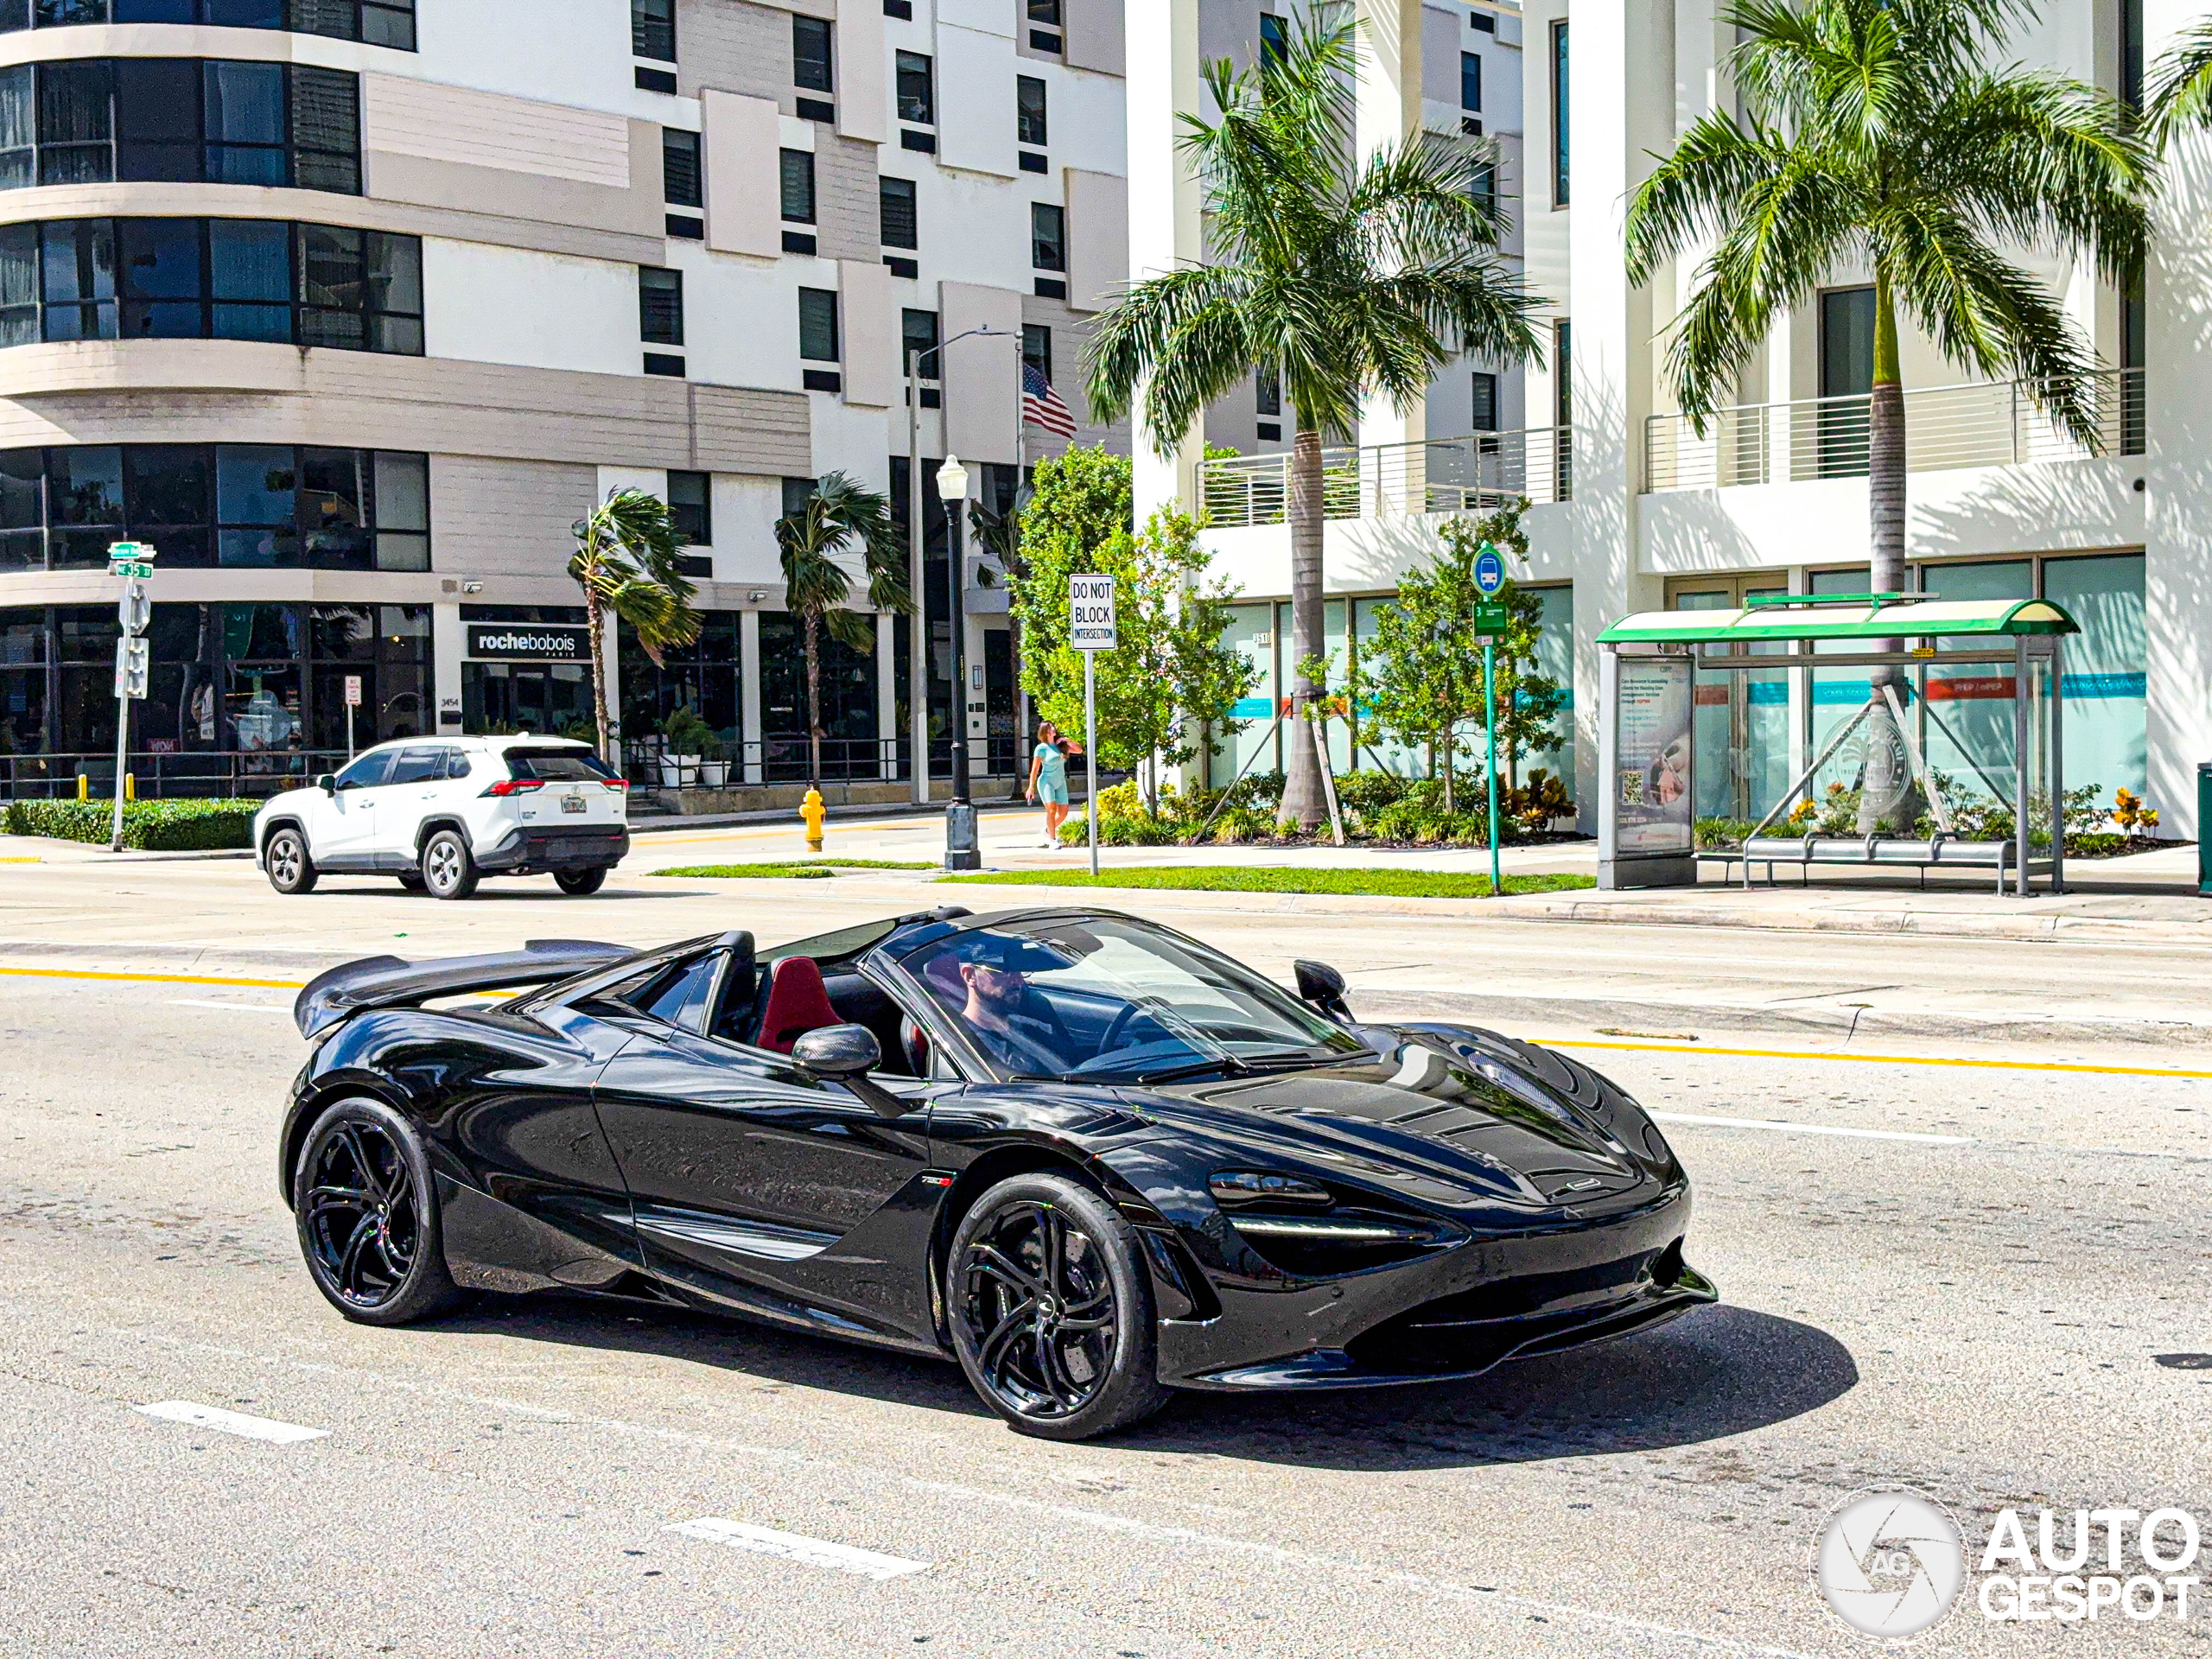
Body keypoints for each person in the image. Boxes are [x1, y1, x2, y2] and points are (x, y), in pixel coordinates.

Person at [1026, 720, 1071, 849]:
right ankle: (1052, 840)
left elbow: (1079, 750)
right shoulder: (1041, 748)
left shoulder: (1060, 745)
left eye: (1053, 727)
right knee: (1051, 810)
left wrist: (1068, 741)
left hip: (1060, 781)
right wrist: (1030, 787)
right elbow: (1035, 769)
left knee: (1063, 813)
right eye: (1050, 728)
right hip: (1046, 782)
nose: (1053, 729)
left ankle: (1047, 830)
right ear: (1045, 732)